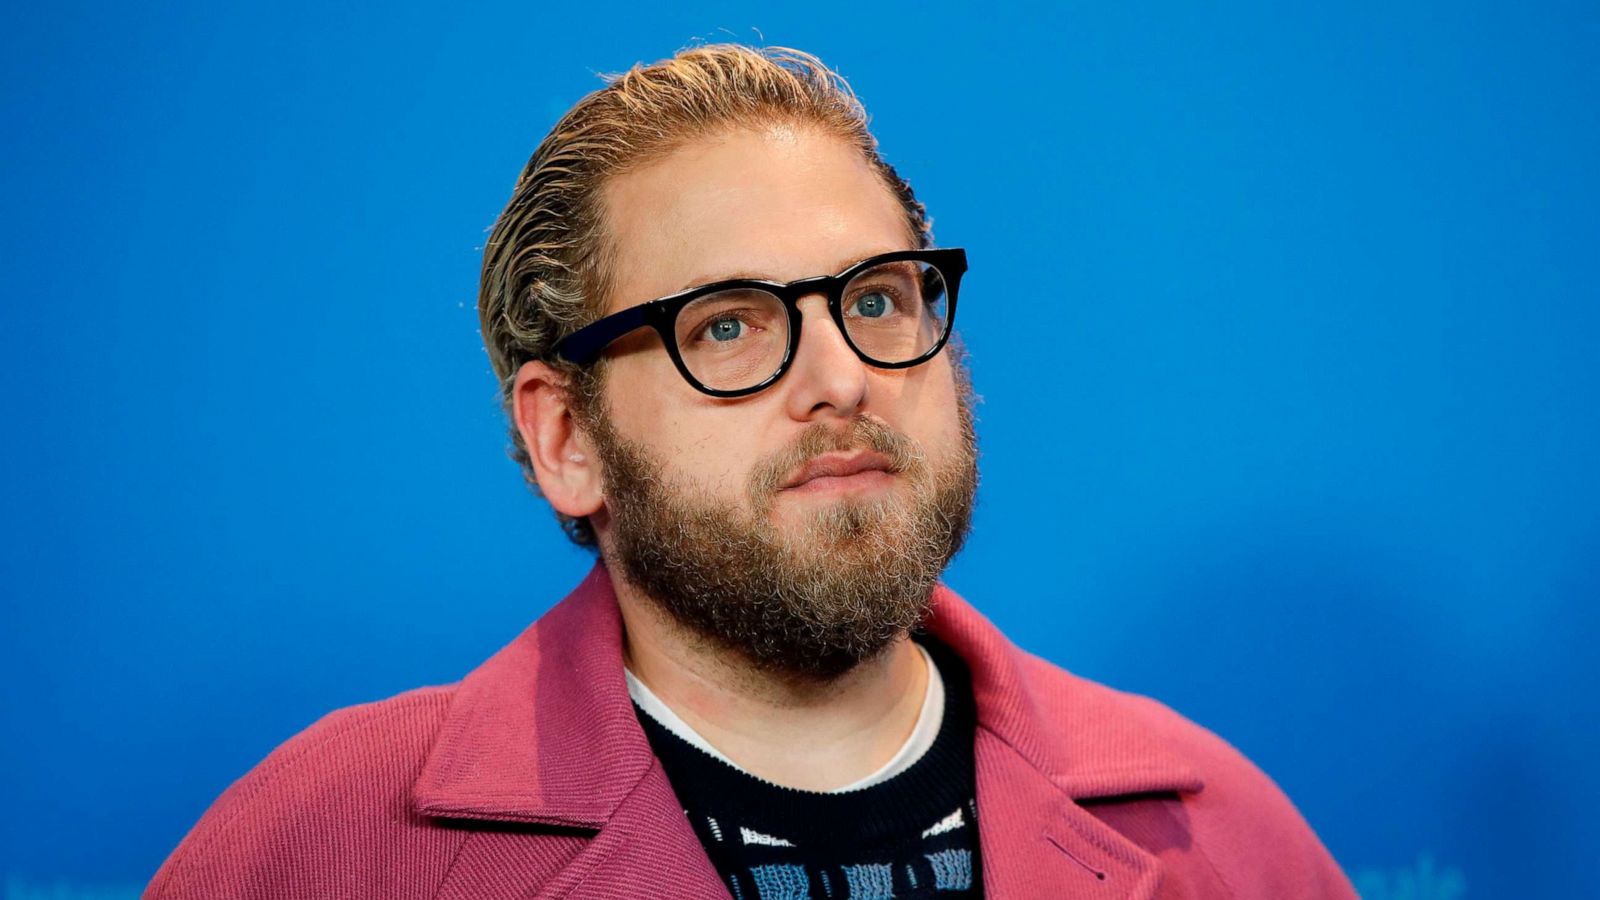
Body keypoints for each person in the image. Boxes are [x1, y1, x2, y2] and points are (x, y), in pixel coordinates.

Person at [144, 45, 1358, 900]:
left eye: (878, 299)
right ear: (566, 438)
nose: (841, 377)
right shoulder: (326, 848)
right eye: (727, 324)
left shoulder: (1214, 828)